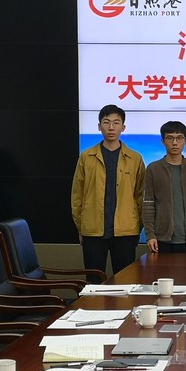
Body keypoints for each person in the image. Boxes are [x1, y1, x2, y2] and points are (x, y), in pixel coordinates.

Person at [71, 104, 145, 282]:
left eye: (116, 123)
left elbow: (141, 196)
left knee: (126, 282)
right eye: (106, 122)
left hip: (126, 232)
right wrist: (82, 227)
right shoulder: (86, 157)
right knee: (93, 282)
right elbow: (77, 195)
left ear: (123, 127)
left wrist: (137, 227)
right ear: (99, 126)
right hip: (93, 231)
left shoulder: (135, 158)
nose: (111, 127)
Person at [142, 120, 186, 254]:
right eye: (170, 138)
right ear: (163, 141)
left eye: (179, 138)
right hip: (161, 240)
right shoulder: (153, 169)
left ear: (185, 141)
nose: (175, 142)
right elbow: (148, 204)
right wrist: (150, 235)